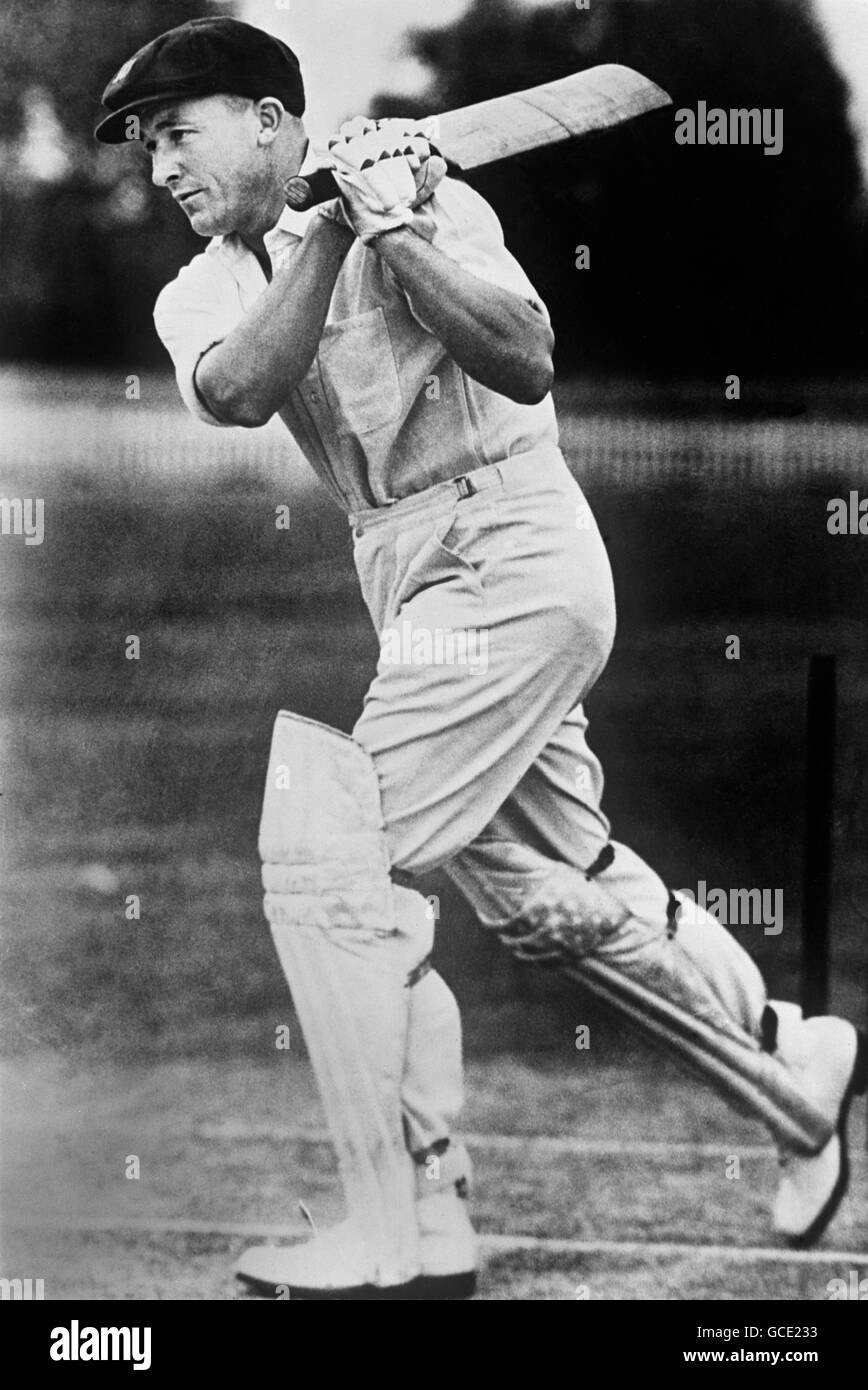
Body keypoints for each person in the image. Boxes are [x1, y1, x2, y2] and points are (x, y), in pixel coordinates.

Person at [96, 16, 865, 1300]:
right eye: (147, 148)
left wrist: (398, 228)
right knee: (539, 891)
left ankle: (402, 1229)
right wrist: (336, 228)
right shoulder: (206, 285)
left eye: (181, 134)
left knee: (338, 855)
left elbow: (524, 354)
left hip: (512, 542)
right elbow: (238, 391)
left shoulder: (430, 201)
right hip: (407, 577)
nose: (161, 168)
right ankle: (792, 1075)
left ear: (274, 123)